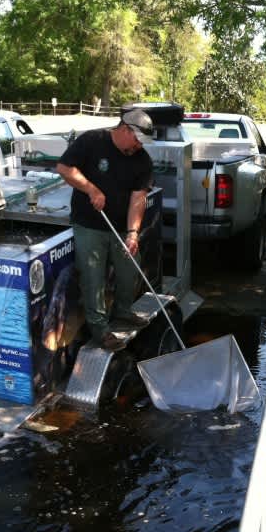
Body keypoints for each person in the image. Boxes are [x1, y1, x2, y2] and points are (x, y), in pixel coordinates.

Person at [56, 108, 154, 352]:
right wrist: (91, 189)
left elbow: (138, 200)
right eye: (137, 140)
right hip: (89, 224)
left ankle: (123, 311)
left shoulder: (142, 160)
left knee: (129, 267)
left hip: (121, 227)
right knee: (93, 277)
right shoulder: (92, 141)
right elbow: (65, 168)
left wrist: (133, 233)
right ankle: (100, 330)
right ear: (124, 129)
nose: (139, 146)